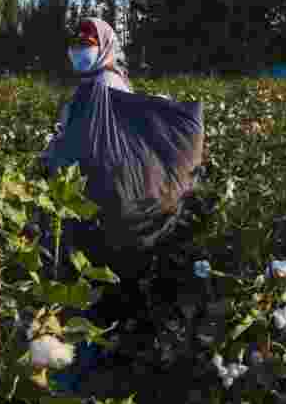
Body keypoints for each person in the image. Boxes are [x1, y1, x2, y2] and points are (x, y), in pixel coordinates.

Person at [38, 17, 205, 338]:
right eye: (75, 46)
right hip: (87, 184)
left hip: (103, 184)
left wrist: (170, 111)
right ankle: (103, 327)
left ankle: (107, 332)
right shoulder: (88, 89)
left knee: (100, 257)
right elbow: (71, 134)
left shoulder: (107, 84)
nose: (79, 52)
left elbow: (123, 126)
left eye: (87, 45)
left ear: (105, 47)